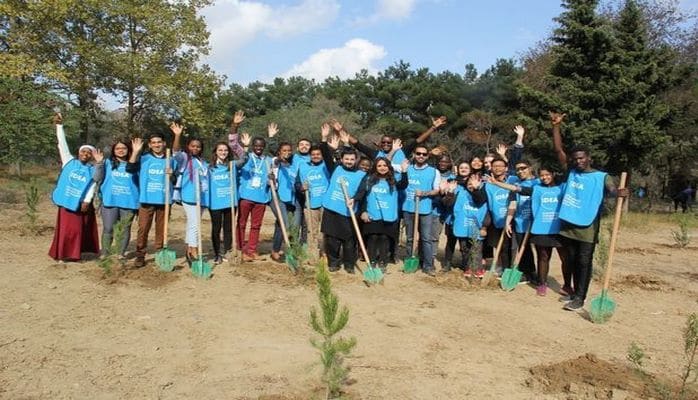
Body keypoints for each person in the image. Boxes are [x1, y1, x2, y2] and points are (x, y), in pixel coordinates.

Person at [550, 112, 628, 311]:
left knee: (584, 261)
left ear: (589, 158)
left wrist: (620, 192)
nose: (578, 162)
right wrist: (556, 126)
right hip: (568, 224)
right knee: (573, 260)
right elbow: (558, 149)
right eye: (575, 159)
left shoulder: (601, 177)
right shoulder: (571, 172)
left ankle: (580, 298)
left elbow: (611, 190)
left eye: (582, 158)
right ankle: (575, 293)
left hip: (588, 226)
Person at [48, 113, 100, 262]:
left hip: (80, 203)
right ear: (79, 152)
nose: (86, 154)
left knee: (77, 230)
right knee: (65, 229)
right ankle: (62, 254)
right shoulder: (69, 161)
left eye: (89, 153)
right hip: (66, 200)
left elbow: (92, 185)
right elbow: (62, 144)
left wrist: (87, 201)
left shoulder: (92, 169)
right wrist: (59, 126)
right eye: (84, 151)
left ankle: (75, 254)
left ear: (91, 156)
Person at [321, 121, 368, 273]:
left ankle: (349, 264)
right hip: (331, 208)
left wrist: (355, 199)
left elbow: (362, 191)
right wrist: (324, 139)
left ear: (356, 161)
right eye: (346, 159)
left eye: (351, 159)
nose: (349, 162)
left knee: (349, 240)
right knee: (332, 239)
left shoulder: (362, 174)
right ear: (342, 159)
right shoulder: (335, 168)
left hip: (348, 211)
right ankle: (333, 262)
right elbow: (326, 155)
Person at [127, 128, 174, 268]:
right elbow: (130, 169)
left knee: (162, 228)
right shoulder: (143, 158)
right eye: (153, 143)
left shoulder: (170, 159)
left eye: (159, 142)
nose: (157, 145)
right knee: (143, 228)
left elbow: (176, 178)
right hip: (147, 200)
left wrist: (172, 174)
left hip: (164, 200)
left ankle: (160, 252)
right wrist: (135, 151)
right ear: (149, 145)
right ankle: (140, 255)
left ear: (164, 143)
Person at [354, 157, 407, 272]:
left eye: (384, 165)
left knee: (384, 238)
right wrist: (363, 211)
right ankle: (372, 260)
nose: (382, 168)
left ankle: (383, 261)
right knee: (372, 237)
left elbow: (403, 185)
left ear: (388, 167)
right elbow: (362, 195)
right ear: (375, 168)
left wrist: (404, 171)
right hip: (373, 213)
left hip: (388, 215)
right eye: (379, 166)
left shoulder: (394, 180)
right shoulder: (368, 179)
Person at [95, 138, 139, 259]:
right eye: (118, 148)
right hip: (110, 201)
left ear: (128, 149)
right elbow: (97, 178)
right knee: (108, 228)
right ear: (113, 150)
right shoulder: (107, 163)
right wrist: (99, 163)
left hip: (129, 202)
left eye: (123, 148)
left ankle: (120, 253)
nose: (121, 151)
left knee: (125, 229)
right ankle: (105, 253)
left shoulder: (135, 164)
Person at [172, 124, 209, 264]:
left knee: (192, 224)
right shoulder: (184, 159)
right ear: (188, 146)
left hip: (202, 198)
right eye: (193, 146)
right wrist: (177, 135)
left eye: (198, 146)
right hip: (189, 196)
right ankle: (193, 250)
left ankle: (188, 249)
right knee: (195, 224)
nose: (195, 148)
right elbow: (175, 151)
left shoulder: (203, 162)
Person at [401, 144, 441, 276]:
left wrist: (424, 193)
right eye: (418, 153)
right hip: (408, 208)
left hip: (425, 209)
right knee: (410, 238)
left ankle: (428, 265)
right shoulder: (407, 169)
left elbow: (437, 190)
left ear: (428, 156)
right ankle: (410, 260)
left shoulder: (434, 171)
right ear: (414, 154)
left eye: (424, 154)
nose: (421, 156)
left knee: (426, 239)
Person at [441, 173, 488, 275]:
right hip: (462, 227)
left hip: (477, 228)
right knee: (464, 249)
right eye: (469, 184)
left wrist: (484, 226)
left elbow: (486, 212)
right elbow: (447, 203)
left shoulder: (484, 196)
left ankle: (476, 269)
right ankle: (467, 267)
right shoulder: (460, 194)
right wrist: (451, 192)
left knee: (476, 249)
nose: (472, 186)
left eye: (475, 184)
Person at [297, 125, 332, 258]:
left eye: (318, 154)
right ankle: (312, 254)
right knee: (312, 231)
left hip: (326, 204)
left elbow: (328, 155)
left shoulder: (327, 166)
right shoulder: (303, 166)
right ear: (310, 156)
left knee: (325, 231)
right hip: (310, 204)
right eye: (313, 154)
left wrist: (324, 138)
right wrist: (301, 188)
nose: (316, 156)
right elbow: (297, 184)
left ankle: (324, 252)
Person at [503, 159, 539, 284]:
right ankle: (527, 273)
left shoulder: (538, 183)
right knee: (524, 249)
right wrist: (508, 221)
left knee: (541, 251)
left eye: (523, 168)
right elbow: (513, 204)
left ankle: (541, 276)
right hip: (520, 222)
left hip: (536, 223)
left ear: (530, 168)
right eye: (518, 169)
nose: (520, 171)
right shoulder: (515, 185)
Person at [269, 139, 300, 262]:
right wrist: (279, 159)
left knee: (282, 225)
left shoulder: (293, 164)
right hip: (278, 197)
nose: (286, 153)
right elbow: (275, 161)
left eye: (289, 150)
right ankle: (289, 252)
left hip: (291, 198)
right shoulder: (276, 162)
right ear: (279, 152)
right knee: (285, 224)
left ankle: (275, 249)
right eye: (284, 151)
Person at [208, 142, 238, 264]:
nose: (223, 152)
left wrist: (245, 147)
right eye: (220, 150)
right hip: (215, 203)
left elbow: (244, 159)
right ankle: (216, 253)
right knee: (216, 228)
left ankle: (227, 250)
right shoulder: (209, 167)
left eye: (225, 150)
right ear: (216, 152)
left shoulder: (232, 165)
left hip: (230, 202)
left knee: (228, 229)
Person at [431, 154, 455, 272]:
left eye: (446, 162)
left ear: (450, 164)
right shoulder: (433, 173)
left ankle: (447, 261)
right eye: (441, 161)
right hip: (436, 209)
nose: (443, 164)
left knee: (450, 237)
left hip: (450, 211)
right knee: (434, 235)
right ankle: (431, 257)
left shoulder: (453, 176)